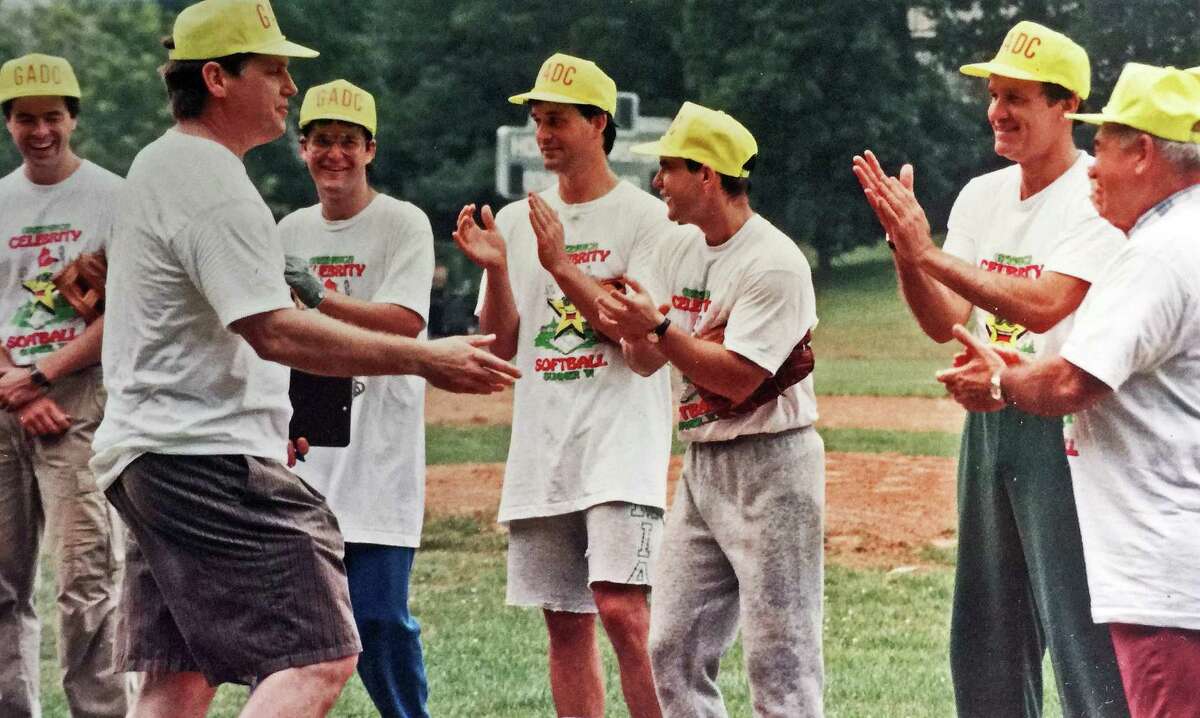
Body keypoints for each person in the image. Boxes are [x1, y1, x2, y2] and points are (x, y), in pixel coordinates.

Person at [89, 2, 518, 717]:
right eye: (275, 70)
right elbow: (275, 332)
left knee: (180, 676)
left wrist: (274, 411)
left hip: (153, 454)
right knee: (320, 653)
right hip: (204, 457)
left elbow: (216, 332)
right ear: (219, 79)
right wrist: (423, 359)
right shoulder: (211, 184)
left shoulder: (162, 165)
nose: (289, 87)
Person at [851, 20, 1128, 717]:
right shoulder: (982, 194)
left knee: (1079, 631)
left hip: (1068, 426)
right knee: (986, 638)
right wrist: (904, 251)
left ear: (1066, 105)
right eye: (994, 95)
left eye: (1018, 98)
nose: (998, 112)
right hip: (990, 420)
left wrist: (928, 251)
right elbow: (942, 318)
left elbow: (1044, 306)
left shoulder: (1095, 194)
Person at [936, 62, 1200, 718]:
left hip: (1161, 569)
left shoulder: (1157, 255)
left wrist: (999, 378)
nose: (1092, 167)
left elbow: (1071, 378)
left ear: (1144, 151)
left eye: (1104, 144)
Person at [452, 52, 675, 718]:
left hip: (619, 443)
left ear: (599, 123)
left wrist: (560, 265)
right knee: (564, 617)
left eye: (559, 121)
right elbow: (502, 345)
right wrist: (497, 270)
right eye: (538, 121)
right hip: (545, 445)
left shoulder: (644, 219)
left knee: (623, 609)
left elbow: (639, 340)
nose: (544, 134)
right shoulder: (519, 220)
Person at [597, 101, 824, 717]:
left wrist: (663, 329)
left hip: (774, 465)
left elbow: (739, 377)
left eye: (669, 167)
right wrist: (635, 330)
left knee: (782, 660)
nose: (657, 180)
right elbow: (645, 361)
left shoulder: (773, 262)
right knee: (671, 648)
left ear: (707, 174)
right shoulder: (677, 249)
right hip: (703, 468)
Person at [279, 78, 433, 718]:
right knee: (298, 631)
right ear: (303, 148)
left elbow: (404, 322)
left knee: (378, 618)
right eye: (321, 141)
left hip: (380, 452)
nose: (333, 155)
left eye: (348, 141)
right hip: (305, 451)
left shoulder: (402, 224)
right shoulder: (287, 229)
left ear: (371, 149)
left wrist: (317, 297)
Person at [0, 52, 129, 718]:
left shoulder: (113, 196)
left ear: (73, 117)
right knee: (2, 582)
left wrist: (43, 375)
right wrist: (12, 383)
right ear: (9, 123)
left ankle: (101, 712)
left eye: (53, 117)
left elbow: (126, 313)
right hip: (4, 401)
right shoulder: (1, 199)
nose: (40, 131)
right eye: (26, 119)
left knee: (85, 578)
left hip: (81, 400)